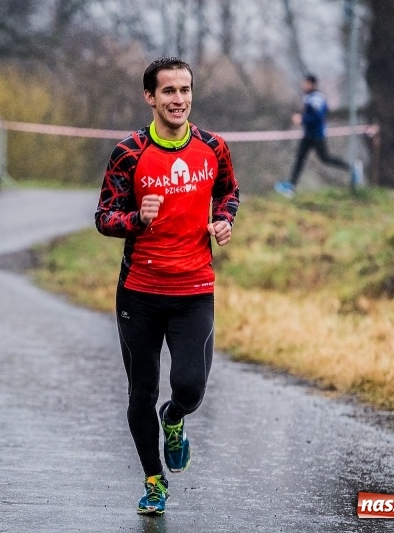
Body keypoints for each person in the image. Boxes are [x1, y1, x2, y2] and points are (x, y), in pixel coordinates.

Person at [95, 57, 240, 516]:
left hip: (195, 288)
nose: (179, 99)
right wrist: (137, 219)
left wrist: (224, 219)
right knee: (141, 392)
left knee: (191, 387)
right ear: (150, 97)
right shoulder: (129, 152)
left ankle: (174, 418)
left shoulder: (213, 147)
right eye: (169, 91)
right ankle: (153, 481)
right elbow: (103, 216)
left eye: (185, 90)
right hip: (139, 291)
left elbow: (229, 192)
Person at [275, 73, 352, 198]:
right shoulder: (310, 97)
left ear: (312, 84)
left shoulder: (316, 98)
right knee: (300, 159)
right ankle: (291, 186)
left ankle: (351, 168)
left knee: (325, 158)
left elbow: (318, 116)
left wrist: (302, 119)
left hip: (316, 135)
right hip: (309, 134)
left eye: (305, 83)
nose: (303, 85)